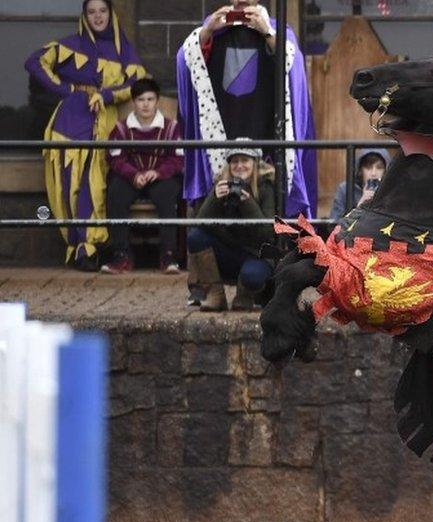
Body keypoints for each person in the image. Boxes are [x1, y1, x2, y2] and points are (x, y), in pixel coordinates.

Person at [24, 0, 147, 271]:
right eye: (91, 12)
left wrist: (106, 94)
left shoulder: (122, 49)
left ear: (111, 14)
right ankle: (81, 248)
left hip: (104, 126)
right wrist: (66, 90)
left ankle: (95, 245)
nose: (98, 16)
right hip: (69, 124)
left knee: (97, 185)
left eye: (102, 11)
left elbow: (138, 83)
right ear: (84, 16)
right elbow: (34, 61)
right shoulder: (71, 44)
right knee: (70, 186)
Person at [176, 0, 317, 218]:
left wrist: (267, 32)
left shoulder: (276, 29)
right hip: (222, 127)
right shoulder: (214, 29)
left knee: (266, 207)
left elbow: (293, 65)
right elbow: (186, 61)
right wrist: (207, 31)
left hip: (265, 127)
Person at [100, 78, 184, 275]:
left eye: (150, 99)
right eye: (140, 100)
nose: (145, 104)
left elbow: (178, 158)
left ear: (156, 101)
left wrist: (159, 172)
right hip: (132, 177)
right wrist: (133, 174)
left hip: (159, 177)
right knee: (116, 194)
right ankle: (121, 255)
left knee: (168, 194)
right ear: (134, 102)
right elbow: (115, 158)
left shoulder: (171, 128)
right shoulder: (121, 129)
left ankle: (168, 255)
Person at [187, 140, 276, 312]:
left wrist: (248, 202)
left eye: (245, 160)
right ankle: (215, 295)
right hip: (228, 252)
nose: (239, 165)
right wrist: (214, 197)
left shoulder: (265, 187)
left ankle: (244, 297)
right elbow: (200, 224)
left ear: (255, 163)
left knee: (252, 276)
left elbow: (267, 233)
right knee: (196, 237)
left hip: (256, 255)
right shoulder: (222, 184)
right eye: (234, 161)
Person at [329, 149, 390, 220]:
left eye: (379, 168)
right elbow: (333, 225)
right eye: (368, 168)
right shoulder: (345, 189)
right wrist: (360, 206)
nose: (374, 173)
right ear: (360, 170)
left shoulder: (393, 190)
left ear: (386, 170)